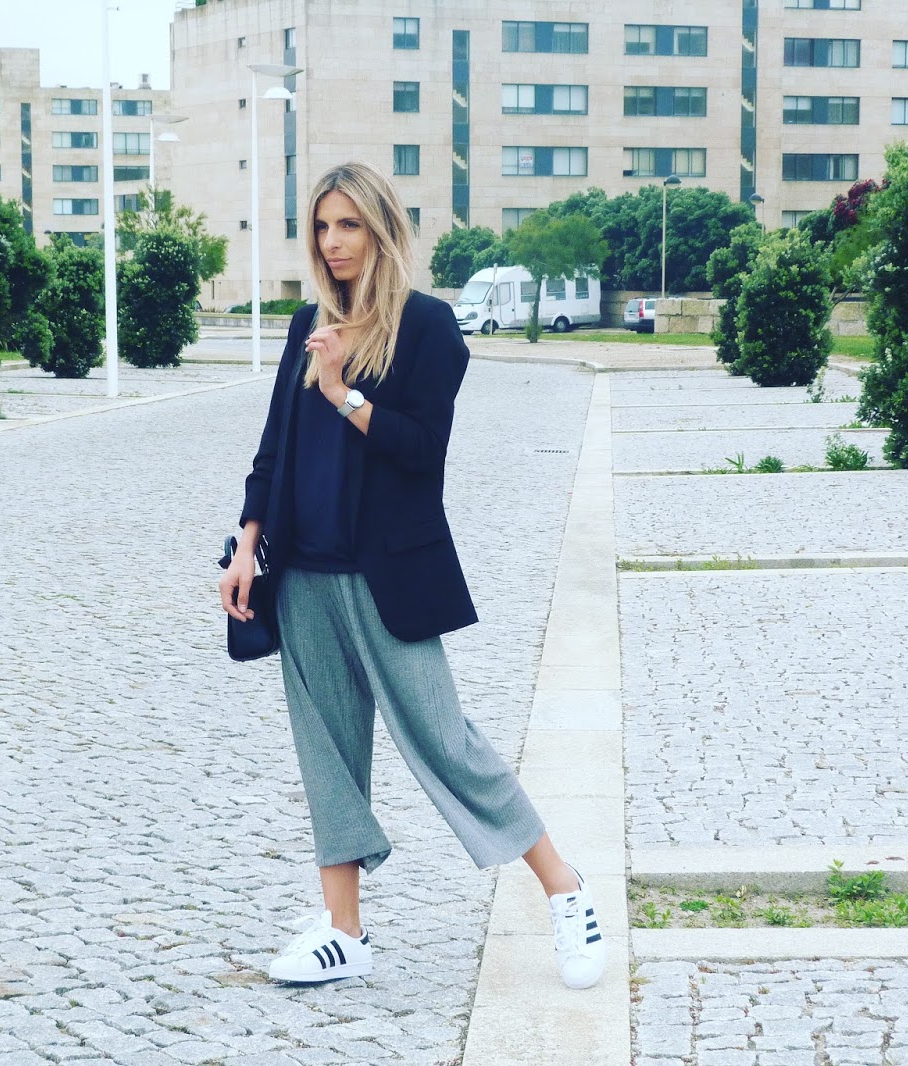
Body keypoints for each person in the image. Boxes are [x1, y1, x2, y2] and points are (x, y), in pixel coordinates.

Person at [218, 161, 606, 990]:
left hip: (385, 576)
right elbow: (273, 449)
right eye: (322, 226)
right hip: (304, 573)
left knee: (445, 740)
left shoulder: (429, 327)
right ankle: (344, 931)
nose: (333, 242)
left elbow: (424, 451)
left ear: (382, 230)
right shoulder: (306, 324)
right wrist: (247, 546)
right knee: (326, 751)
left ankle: (565, 889)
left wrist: (341, 392)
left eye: (349, 224)